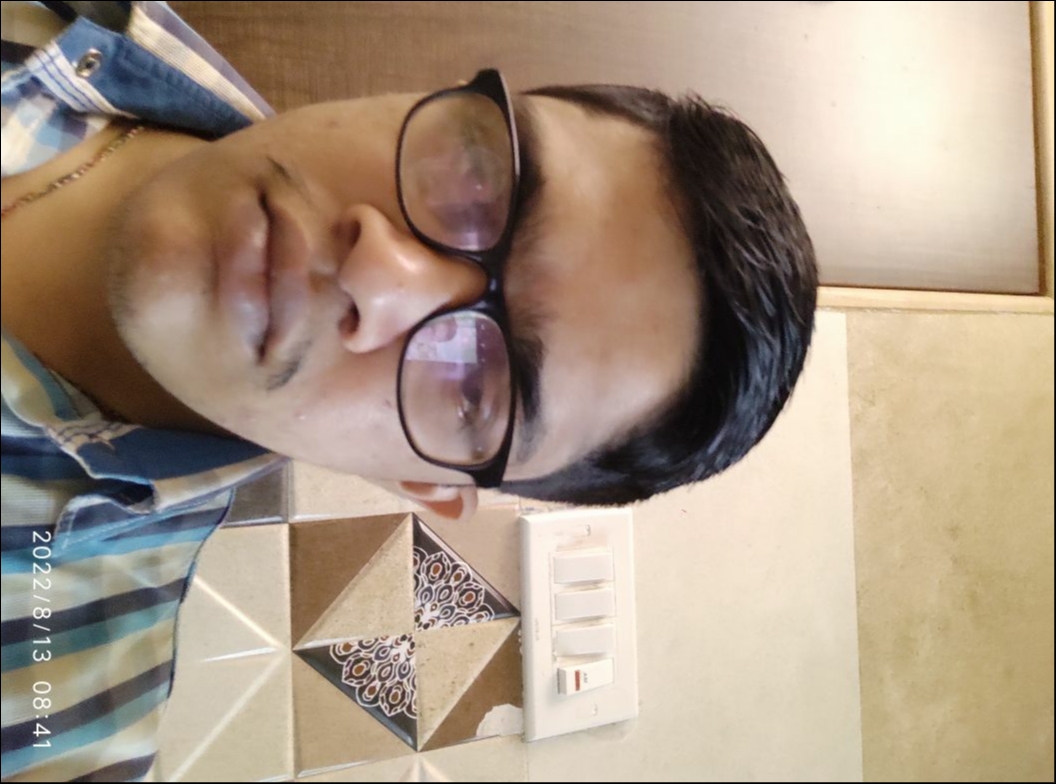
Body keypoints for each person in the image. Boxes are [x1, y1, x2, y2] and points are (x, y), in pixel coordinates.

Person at [1, 1, 817, 780]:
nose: (378, 273)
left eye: (475, 387)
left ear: (418, 482)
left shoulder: (51, 722)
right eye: (481, 182)